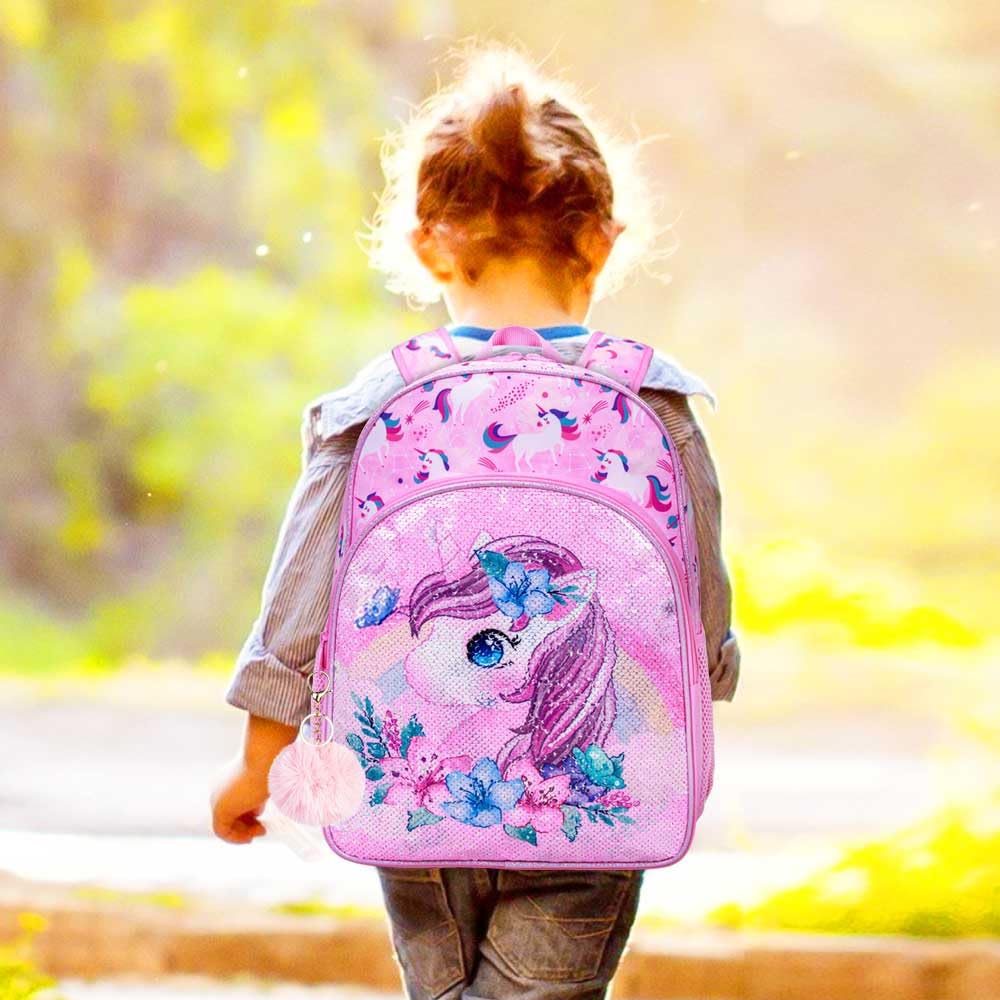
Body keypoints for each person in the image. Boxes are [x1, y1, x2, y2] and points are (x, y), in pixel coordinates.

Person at [211, 42, 740, 1000]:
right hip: (599, 788)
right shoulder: (653, 403)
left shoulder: (377, 404)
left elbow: (301, 589)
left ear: (426, 243)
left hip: (414, 786)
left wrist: (261, 757)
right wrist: (698, 694)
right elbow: (697, 590)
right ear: (606, 238)